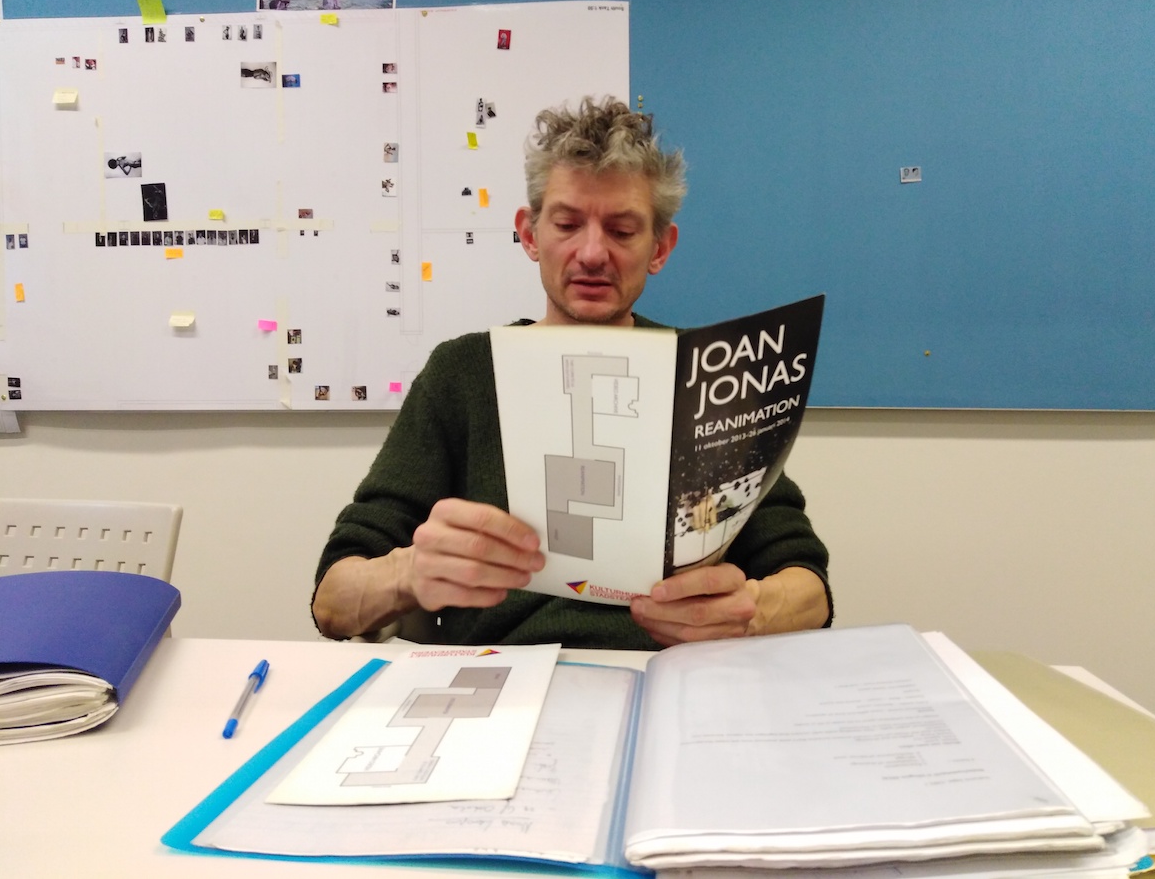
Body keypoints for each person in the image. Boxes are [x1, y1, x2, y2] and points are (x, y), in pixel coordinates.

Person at [312, 96, 831, 649]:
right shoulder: (463, 373)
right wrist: (407, 573)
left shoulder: (702, 374)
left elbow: (809, 587)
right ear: (530, 234)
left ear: (660, 247)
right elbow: (333, 603)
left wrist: (753, 612)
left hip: (675, 674)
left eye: (622, 230)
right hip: (503, 681)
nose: (591, 253)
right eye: (566, 223)